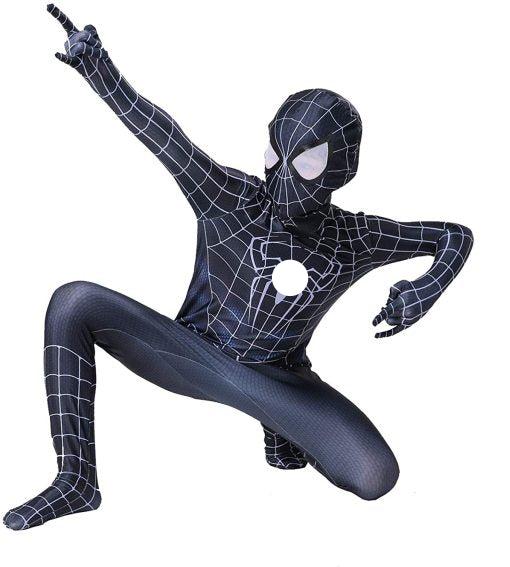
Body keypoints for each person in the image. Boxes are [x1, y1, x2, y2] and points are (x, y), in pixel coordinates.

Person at [3, 4, 473, 530]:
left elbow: (454, 236)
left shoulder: (354, 237)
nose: (283, 177)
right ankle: (77, 479)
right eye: (275, 155)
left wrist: (426, 288)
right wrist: (100, 70)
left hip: (278, 379)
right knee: (74, 301)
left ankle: (281, 426)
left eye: (308, 163)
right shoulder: (232, 199)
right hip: (193, 355)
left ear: (343, 169)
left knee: (375, 475)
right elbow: (166, 139)